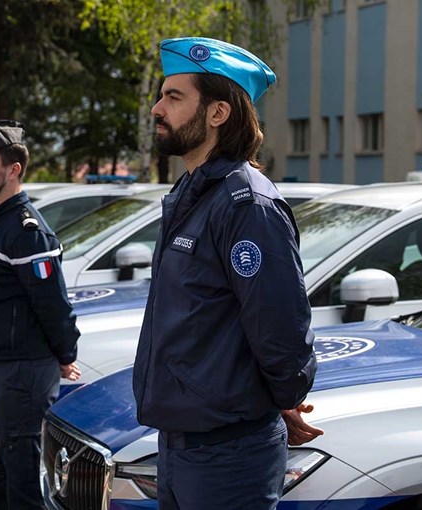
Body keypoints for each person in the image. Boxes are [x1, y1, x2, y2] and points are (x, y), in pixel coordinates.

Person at [131, 37, 320, 509]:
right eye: (161, 95)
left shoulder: (247, 203)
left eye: (174, 97)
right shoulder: (193, 193)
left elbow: (280, 326)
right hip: (181, 446)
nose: (158, 108)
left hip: (228, 453)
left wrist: (280, 397)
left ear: (218, 113)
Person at [0, 120, 81, 509]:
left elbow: (53, 304)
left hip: (20, 376)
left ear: (13, 170)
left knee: (23, 486)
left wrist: (66, 355)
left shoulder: (26, 230)